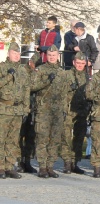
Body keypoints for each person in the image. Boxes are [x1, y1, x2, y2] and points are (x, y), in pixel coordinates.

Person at [30, 45, 68, 178]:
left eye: (54, 55)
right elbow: (32, 87)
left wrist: (64, 109)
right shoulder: (40, 70)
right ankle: (42, 167)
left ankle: (50, 166)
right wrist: (47, 81)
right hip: (43, 110)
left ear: (58, 56)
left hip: (57, 112)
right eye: (50, 55)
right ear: (46, 56)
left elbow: (64, 93)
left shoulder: (62, 72)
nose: (52, 57)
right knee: (42, 138)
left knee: (55, 139)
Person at [0, 43, 30, 179]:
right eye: (14, 53)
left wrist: (26, 108)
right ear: (8, 54)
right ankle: (0, 167)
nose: (17, 55)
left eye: (18, 54)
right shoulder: (2, 67)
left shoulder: (23, 70)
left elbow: (26, 90)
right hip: (4, 108)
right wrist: (8, 76)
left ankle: (9, 166)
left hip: (18, 109)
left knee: (13, 140)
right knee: (1, 138)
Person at [60, 52, 91, 175]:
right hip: (68, 111)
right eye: (78, 63)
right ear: (74, 62)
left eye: (82, 63)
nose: (80, 65)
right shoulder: (66, 75)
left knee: (79, 138)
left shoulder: (86, 77)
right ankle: (67, 162)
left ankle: (75, 162)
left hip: (81, 112)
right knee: (66, 137)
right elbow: (61, 93)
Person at [18, 52, 41, 174]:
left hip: (33, 108)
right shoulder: (22, 71)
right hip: (22, 108)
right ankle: (19, 161)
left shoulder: (37, 73)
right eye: (34, 65)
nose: (35, 67)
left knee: (31, 136)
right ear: (30, 62)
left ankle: (27, 161)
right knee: (19, 136)